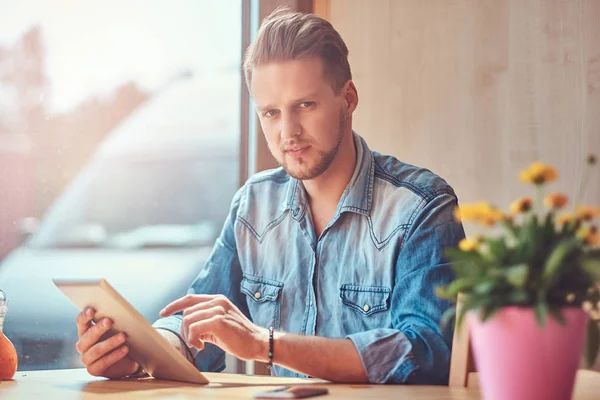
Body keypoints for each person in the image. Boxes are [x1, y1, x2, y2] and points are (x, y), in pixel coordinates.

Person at [74, 7, 465, 384]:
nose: (288, 132)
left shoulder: (422, 207)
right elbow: (200, 319)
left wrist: (266, 344)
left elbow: (425, 353)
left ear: (348, 99)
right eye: (271, 113)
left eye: (305, 105)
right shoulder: (254, 205)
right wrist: (139, 355)